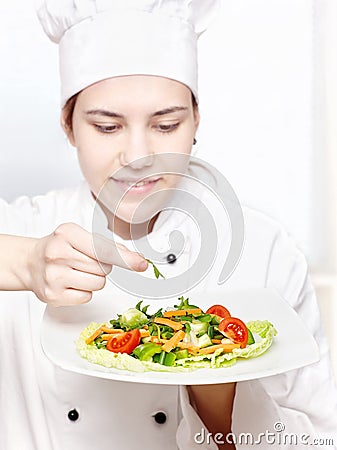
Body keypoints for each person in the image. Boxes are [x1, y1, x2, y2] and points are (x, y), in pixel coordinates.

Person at [0, 1, 336, 449]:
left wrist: (219, 405)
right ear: (68, 125)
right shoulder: (22, 225)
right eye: (106, 127)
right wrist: (23, 263)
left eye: (166, 124)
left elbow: (319, 439)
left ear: (195, 120)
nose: (138, 156)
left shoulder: (266, 251)